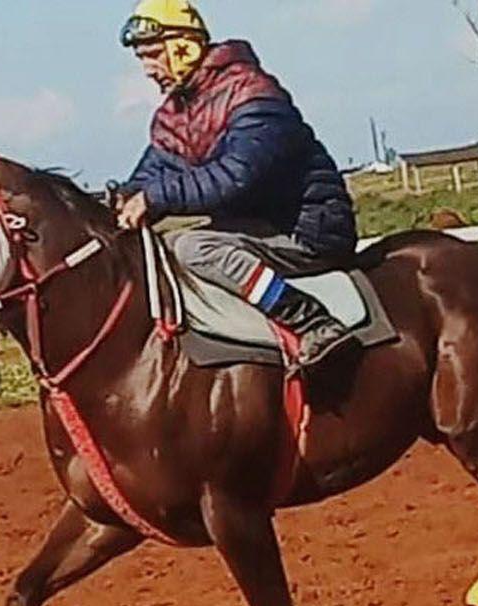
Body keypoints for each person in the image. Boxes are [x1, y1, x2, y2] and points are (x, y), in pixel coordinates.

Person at [116, 0, 359, 374]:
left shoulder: (252, 93)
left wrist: (154, 198)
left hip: (307, 231)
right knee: (166, 249)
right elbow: (150, 174)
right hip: (254, 230)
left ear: (185, 46)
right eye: (142, 59)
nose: (148, 70)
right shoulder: (174, 115)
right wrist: (118, 202)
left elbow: (236, 178)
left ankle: (311, 321)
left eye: (153, 55)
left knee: (193, 247)